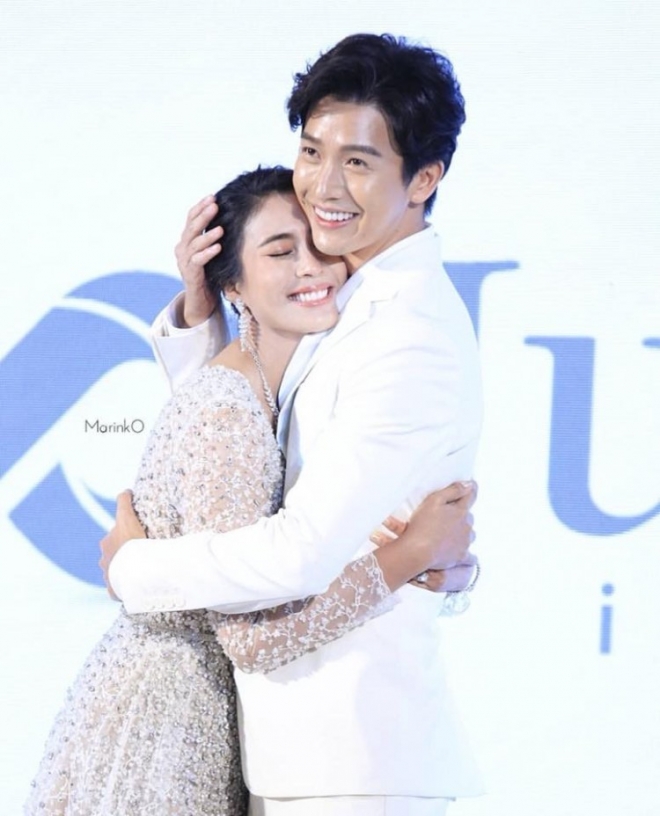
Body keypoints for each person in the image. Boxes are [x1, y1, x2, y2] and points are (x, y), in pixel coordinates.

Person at [102, 33, 484, 815]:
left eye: (358, 162)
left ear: (425, 178)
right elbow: (256, 446)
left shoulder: (406, 331)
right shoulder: (348, 292)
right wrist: (208, 312)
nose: (323, 185)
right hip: (302, 756)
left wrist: (131, 569)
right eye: (312, 152)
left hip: (352, 762)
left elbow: (299, 554)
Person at [25, 167, 473, 816]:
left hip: (226, 718)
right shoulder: (229, 409)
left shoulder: (291, 381)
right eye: (281, 251)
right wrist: (409, 557)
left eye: (319, 247)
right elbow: (251, 637)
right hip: (175, 720)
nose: (311, 267)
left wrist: (442, 563)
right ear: (231, 283)